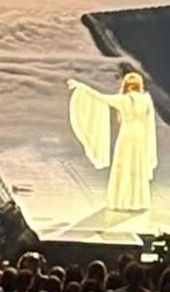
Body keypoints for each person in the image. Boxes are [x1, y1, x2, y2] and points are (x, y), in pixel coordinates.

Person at [66, 69, 158, 215]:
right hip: (140, 136)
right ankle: (138, 201)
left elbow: (99, 97)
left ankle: (120, 200)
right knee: (137, 166)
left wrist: (81, 86)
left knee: (123, 166)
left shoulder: (122, 100)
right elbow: (150, 123)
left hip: (127, 135)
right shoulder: (146, 100)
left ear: (126, 85)